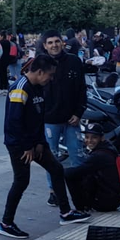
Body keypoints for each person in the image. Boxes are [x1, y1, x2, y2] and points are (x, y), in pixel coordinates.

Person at [0, 55, 90, 239]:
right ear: (40, 72)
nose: (51, 78)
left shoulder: (39, 87)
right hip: (19, 145)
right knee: (21, 181)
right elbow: (13, 124)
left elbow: (40, 118)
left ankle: (65, 213)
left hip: (35, 143)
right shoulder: (20, 89)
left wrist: (40, 143)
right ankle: (6, 223)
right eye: (50, 74)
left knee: (56, 169)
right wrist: (27, 147)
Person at [38, 30, 87, 204]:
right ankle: (54, 192)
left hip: (72, 119)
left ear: (62, 43)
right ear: (45, 45)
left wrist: (78, 113)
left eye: (57, 41)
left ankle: (80, 190)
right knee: (51, 159)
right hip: (50, 120)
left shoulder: (73, 61)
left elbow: (82, 89)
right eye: (50, 42)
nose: (54, 45)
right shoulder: (40, 64)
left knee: (77, 156)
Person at [65, 123, 120, 213]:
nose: (89, 141)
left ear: (102, 138)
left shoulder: (99, 155)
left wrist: (58, 172)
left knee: (70, 176)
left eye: (94, 137)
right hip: (114, 198)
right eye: (87, 137)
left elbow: (77, 172)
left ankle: (81, 209)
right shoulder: (109, 147)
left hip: (105, 203)